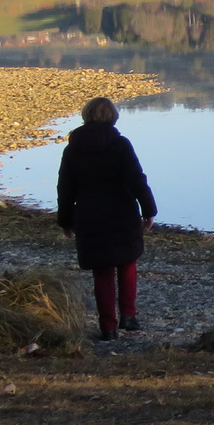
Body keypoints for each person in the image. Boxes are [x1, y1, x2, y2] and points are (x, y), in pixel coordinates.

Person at [56, 96, 158, 341]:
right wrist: (149, 210)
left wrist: (66, 220)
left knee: (102, 272)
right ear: (113, 116)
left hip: (90, 215)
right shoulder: (121, 144)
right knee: (127, 262)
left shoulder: (72, 148)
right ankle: (129, 316)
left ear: (86, 115)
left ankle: (108, 328)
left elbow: (65, 188)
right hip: (122, 212)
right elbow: (137, 179)